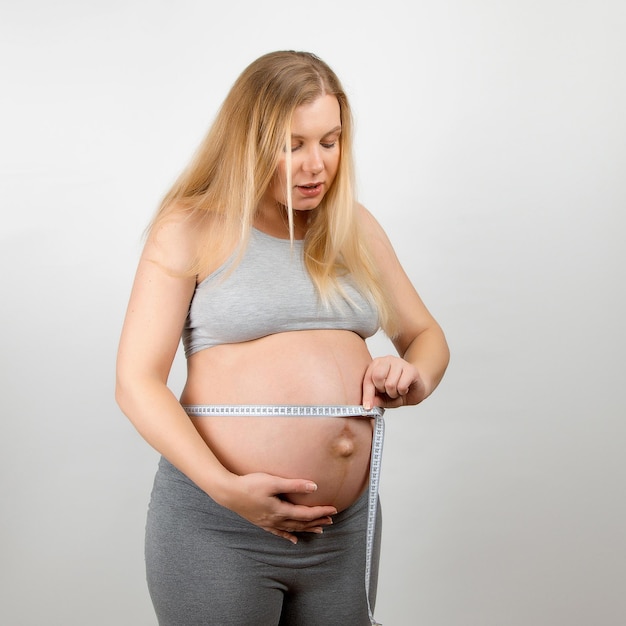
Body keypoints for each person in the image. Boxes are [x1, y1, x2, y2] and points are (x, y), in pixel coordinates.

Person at [116, 50, 449, 626]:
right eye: (290, 144)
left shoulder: (355, 228)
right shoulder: (192, 227)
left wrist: (413, 375)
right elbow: (136, 382)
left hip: (343, 534)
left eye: (330, 140)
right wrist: (225, 488)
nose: (314, 165)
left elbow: (425, 337)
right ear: (247, 142)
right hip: (222, 525)